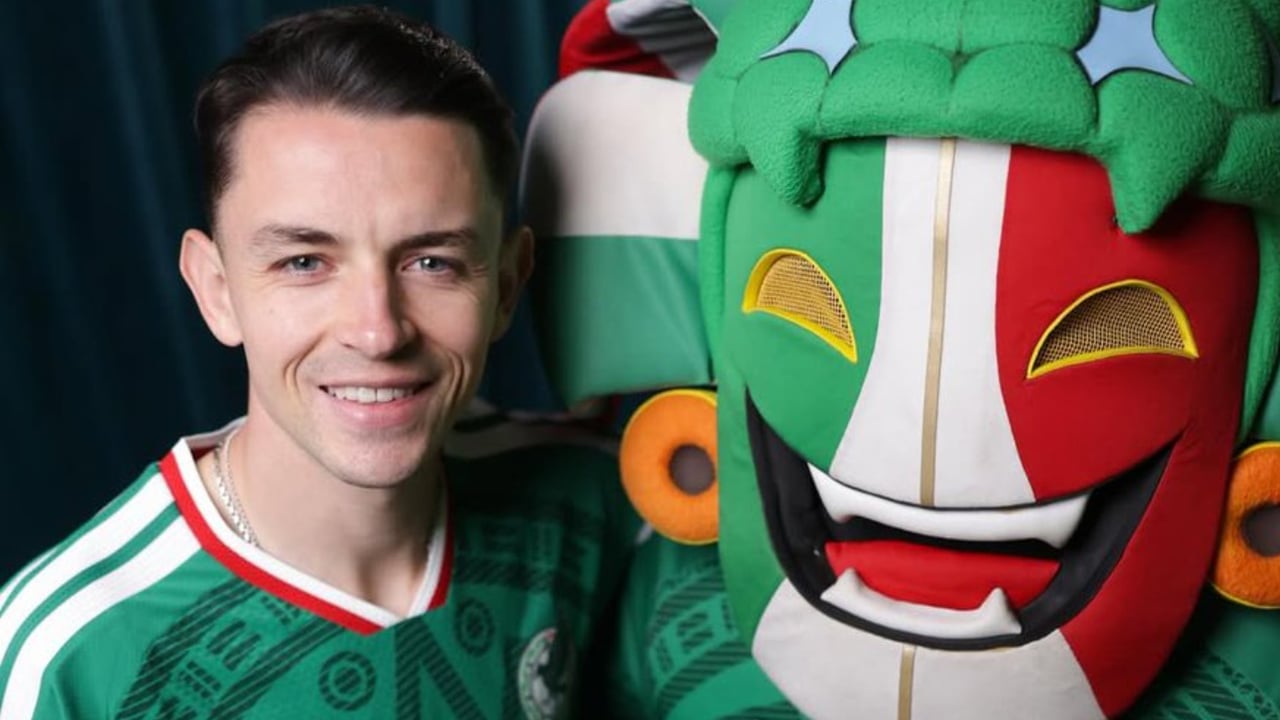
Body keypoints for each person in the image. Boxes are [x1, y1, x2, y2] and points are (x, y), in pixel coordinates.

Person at [0, 6, 638, 718]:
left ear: (509, 285)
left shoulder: (603, 499)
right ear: (217, 292)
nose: (377, 332)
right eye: (304, 262)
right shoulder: (66, 659)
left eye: (432, 261)